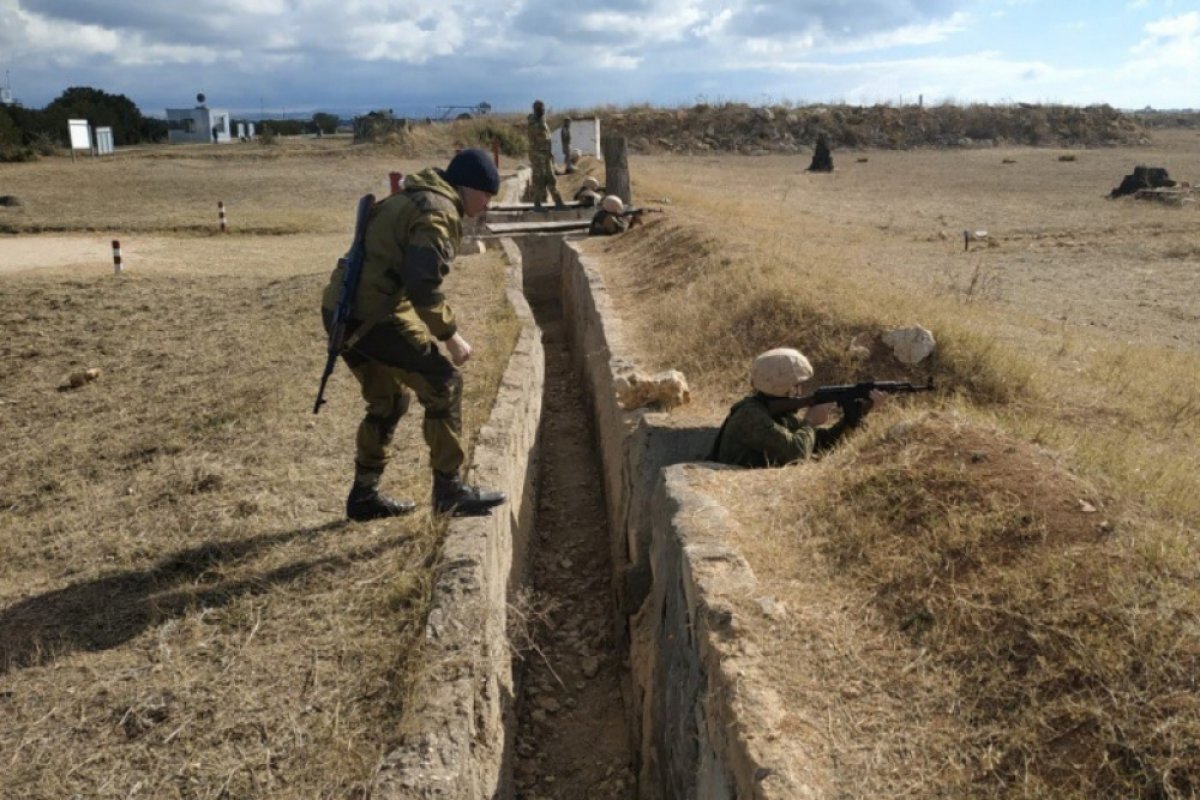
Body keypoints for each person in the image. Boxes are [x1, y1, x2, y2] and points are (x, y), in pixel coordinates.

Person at [320, 148, 508, 520]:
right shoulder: (438, 210)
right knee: (444, 384)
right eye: (486, 195)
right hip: (372, 315)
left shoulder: (415, 195)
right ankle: (450, 489)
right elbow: (423, 285)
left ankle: (363, 497)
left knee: (388, 402)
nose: (486, 205)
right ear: (467, 188)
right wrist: (450, 336)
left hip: (342, 310)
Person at [711, 348, 888, 468]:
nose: (800, 390)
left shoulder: (776, 412)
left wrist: (858, 414)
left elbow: (820, 444)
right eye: (796, 385)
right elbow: (796, 454)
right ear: (782, 385)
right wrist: (810, 422)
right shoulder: (750, 415)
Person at [527, 100, 565, 210]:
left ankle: (558, 202)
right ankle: (537, 205)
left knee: (551, 178)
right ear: (536, 109)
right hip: (538, 156)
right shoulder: (534, 122)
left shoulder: (542, 121)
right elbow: (539, 138)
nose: (543, 110)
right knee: (539, 180)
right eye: (540, 108)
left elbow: (547, 139)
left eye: (543, 108)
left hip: (546, 155)